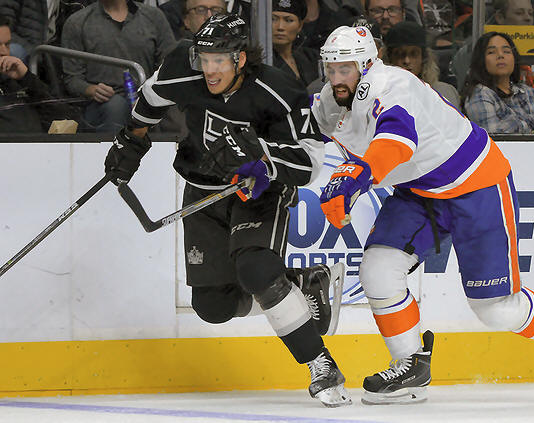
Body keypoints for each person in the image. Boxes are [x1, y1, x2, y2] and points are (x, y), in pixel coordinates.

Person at [312, 25, 534, 405]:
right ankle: (410, 366)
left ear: (366, 65)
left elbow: (396, 141)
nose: (336, 78)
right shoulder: (329, 101)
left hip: (475, 183)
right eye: (331, 69)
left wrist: (356, 176)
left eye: (345, 69)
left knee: (495, 310)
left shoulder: (391, 85)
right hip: (419, 192)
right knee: (377, 270)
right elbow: (304, 140)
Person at [103, 14, 351, 407]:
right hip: (202, 190)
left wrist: (263, 161)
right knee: (213, 307)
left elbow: (309, 163)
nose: (210, 70)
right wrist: (131, 141)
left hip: (258, 192)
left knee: (258, 272)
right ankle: (302, 285)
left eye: (219, 60)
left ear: (240, 58)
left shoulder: (279, 90)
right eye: (204, 59)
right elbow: (150, 98)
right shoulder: (182, 68)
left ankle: (319, 363)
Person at [61, 0, 176, 133]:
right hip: (101, 104)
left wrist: (150, 94)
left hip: (147, 97)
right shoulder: (78, 22)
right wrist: (90, 89)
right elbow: (72, 79)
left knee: (168, 109)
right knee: (116, 107)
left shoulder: (154, 17)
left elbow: (171, 66)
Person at [461, 32, 534, 134]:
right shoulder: (480, 94)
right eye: (491, 52)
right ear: (481, 60)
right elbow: (493, 138)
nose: (500, 55)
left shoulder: (530, 93)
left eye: (506, 51)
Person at [0, 16, 75, 133]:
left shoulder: (17, 82)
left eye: (7, 44)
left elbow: (62, 115)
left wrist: (26, 77)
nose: (4, 51)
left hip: (38, 142)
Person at [449, 0, 534, 90]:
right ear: (500, 17)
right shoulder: (471, 50)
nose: (528, 18)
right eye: (519, 13)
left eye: (531, 13)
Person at [383, 21, 460, 108]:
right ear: (389, 59)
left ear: (423, 58)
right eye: (400, 54)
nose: (407, 61)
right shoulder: (379, 96)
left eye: (414, 54)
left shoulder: (443, 92)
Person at [272, 0, 320, 88]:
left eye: (288, 20)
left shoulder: (311, 57)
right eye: (273, 19)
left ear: (300, 26)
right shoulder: (262, 60)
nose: (280, 27)